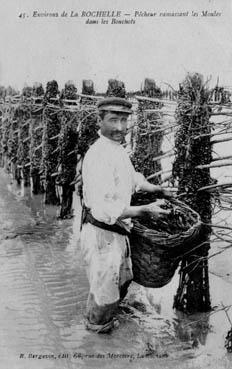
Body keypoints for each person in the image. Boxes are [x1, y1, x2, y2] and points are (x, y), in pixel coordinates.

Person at [80, 97, 173, 333]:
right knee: (104, 298)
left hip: (118, 232)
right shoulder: (98, 155)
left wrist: (154, 189)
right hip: (102, 234)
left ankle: (105, 334)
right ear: (99, 120)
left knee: (117, 286)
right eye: (113, 120)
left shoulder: (116, 150)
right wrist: (144, 210)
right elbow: (103, 208)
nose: (120, 127)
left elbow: (132, 178)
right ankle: (96, 348)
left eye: (123, 120)